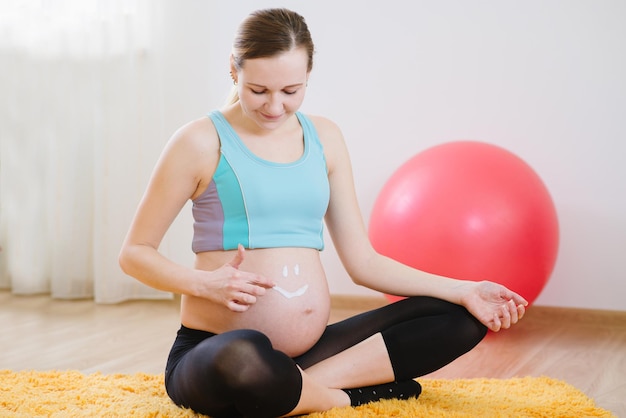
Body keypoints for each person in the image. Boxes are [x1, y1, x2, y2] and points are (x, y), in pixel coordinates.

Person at [119, 8, 527, 418]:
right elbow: (134, 253)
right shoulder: (199, 142)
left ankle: (291, 385)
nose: (275, 107)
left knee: (461, 318)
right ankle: (342, 396)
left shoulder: (325, 138)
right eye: (259, 90)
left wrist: (464, 289)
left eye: (291, 90)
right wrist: (204, 284)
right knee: (243, 357)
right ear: (233, 70)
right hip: (214, 350)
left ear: (309, 75)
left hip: (311, 353)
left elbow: (363, 262)